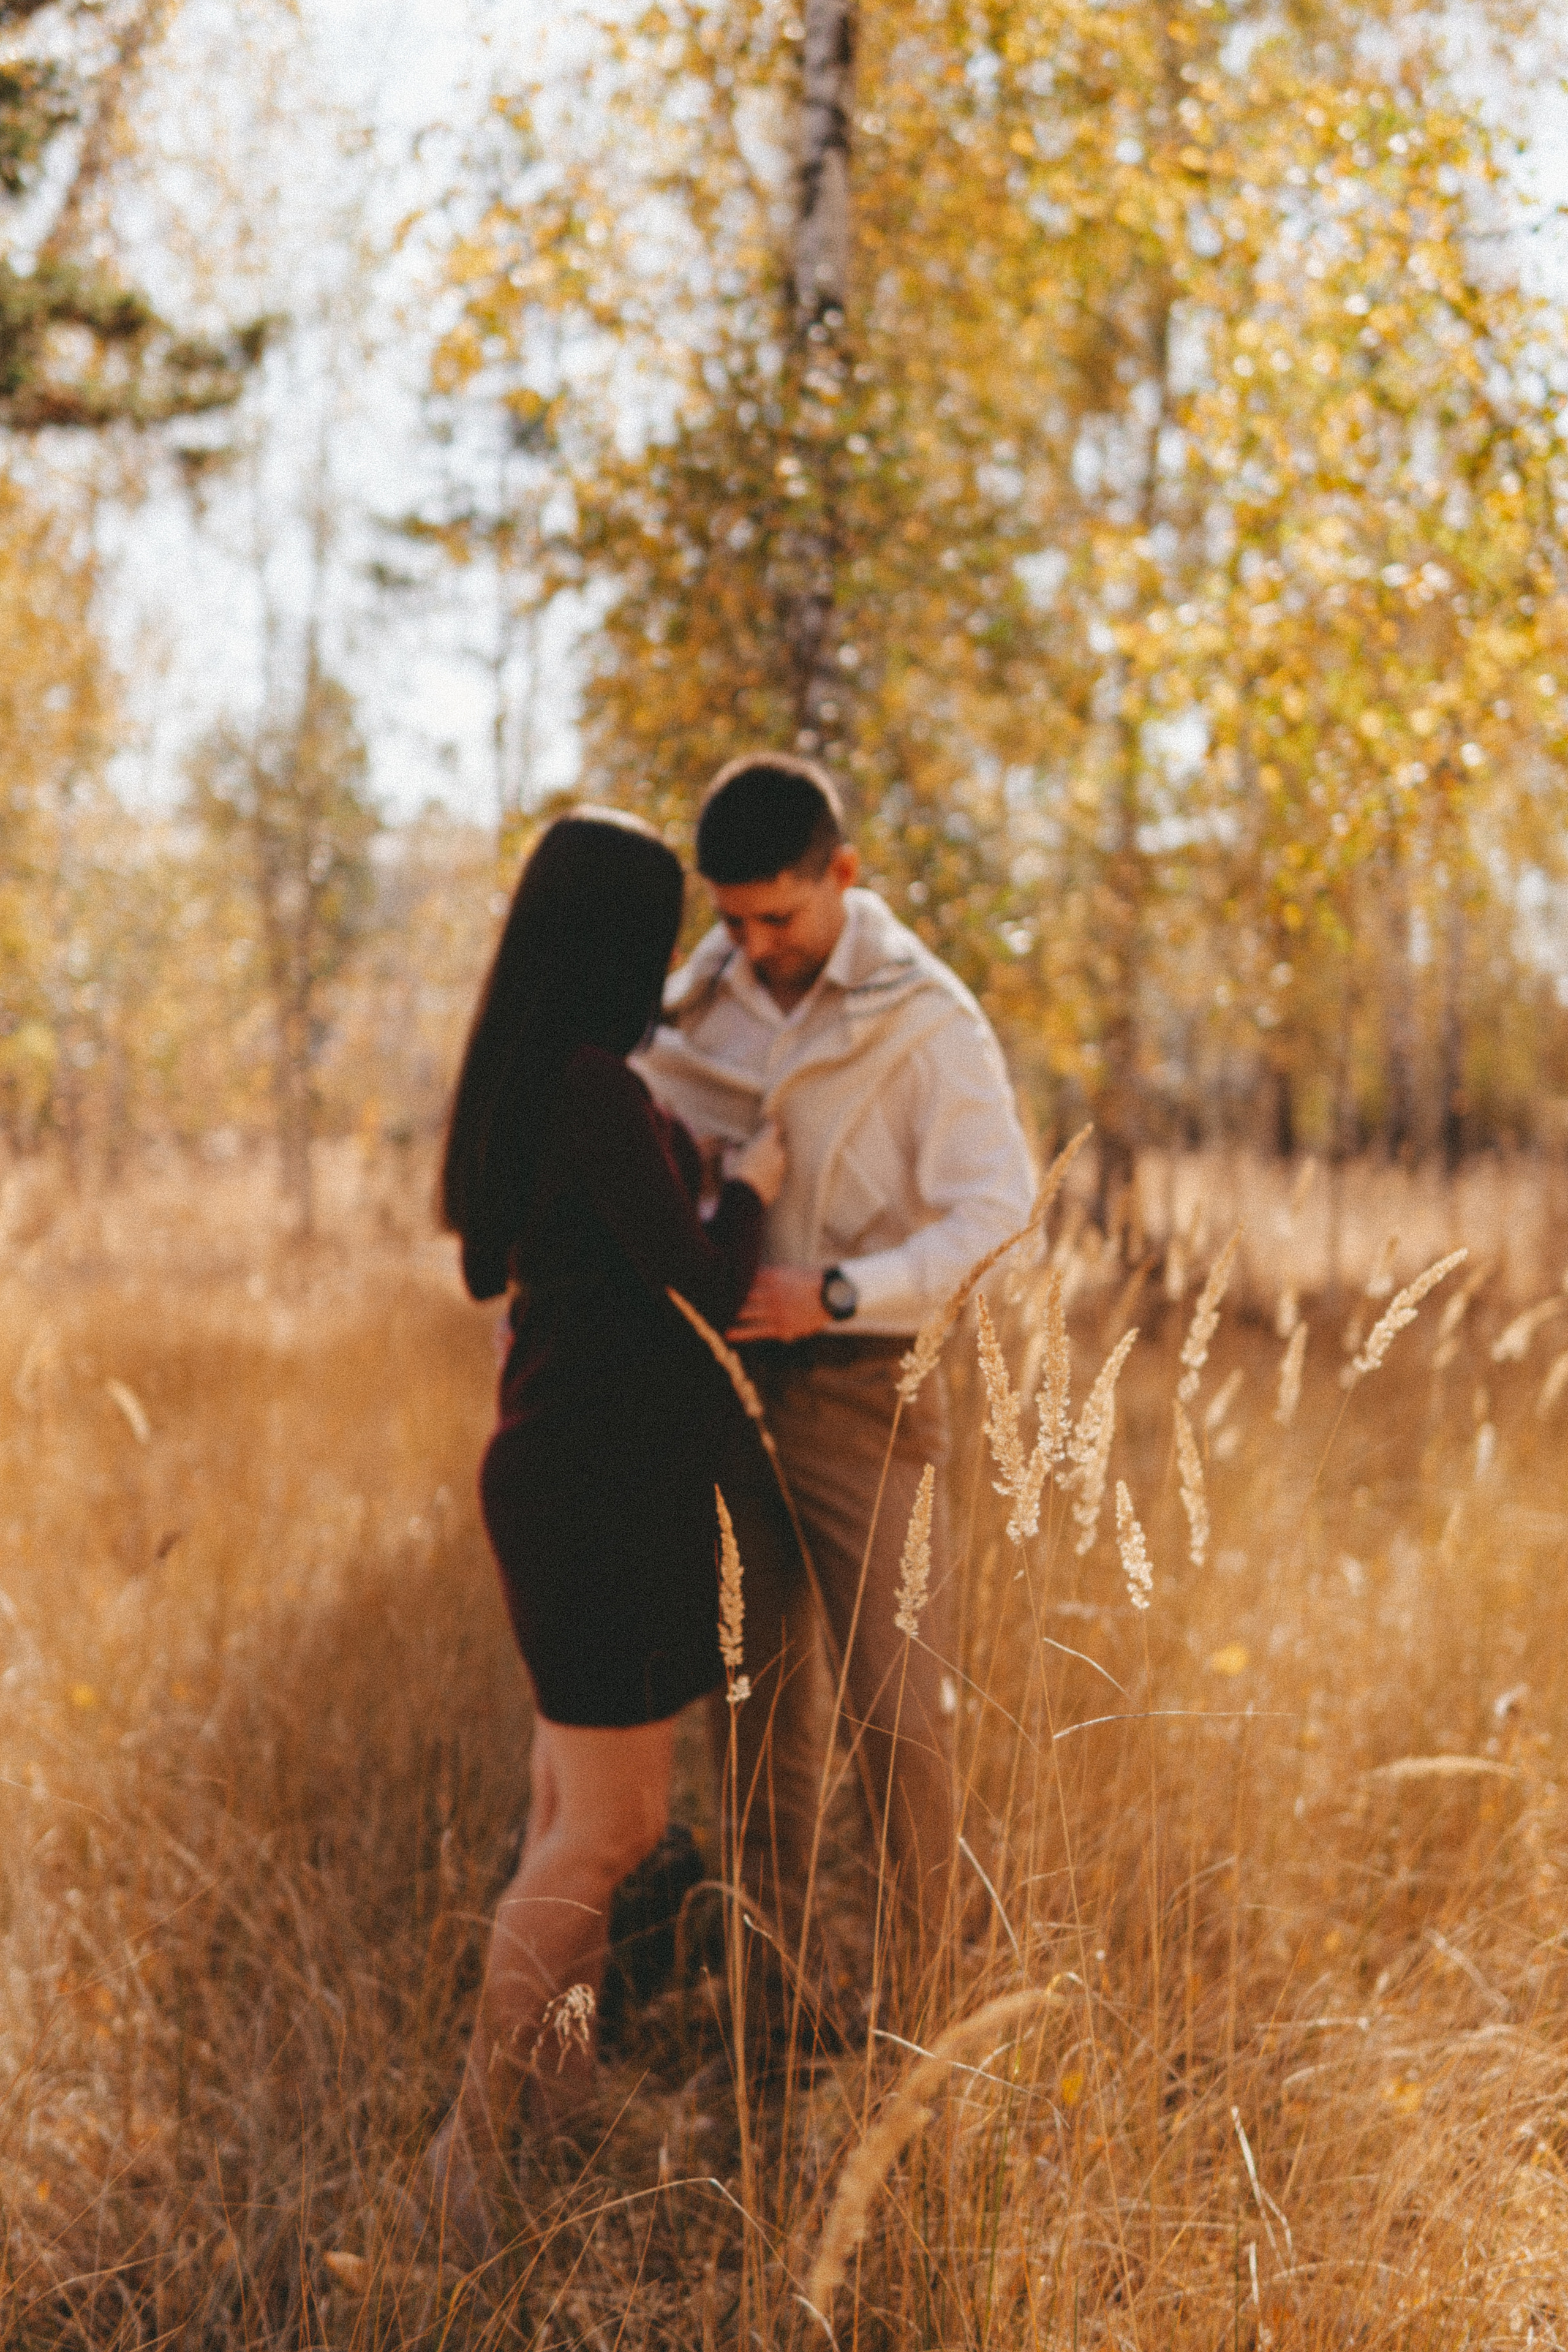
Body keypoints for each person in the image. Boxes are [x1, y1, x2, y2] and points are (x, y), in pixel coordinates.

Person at [634, 755, 1035, 2021]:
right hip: (729, 1387)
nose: (755, 946)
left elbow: (998, 1208)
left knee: (898, 1718)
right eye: (733, 918)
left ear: (843, 877)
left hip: (865, 1388)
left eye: (780, 919)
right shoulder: (702, 999)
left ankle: (928, 2021)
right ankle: (776, 2006)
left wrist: (842, 1294)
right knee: (755, 1714)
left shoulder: (929, 1018)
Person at [433, 808, 786, 2237]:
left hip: (560, 1475)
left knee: (568, 1814)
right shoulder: (594, 1086)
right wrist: (750, 1183)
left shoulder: (540, 1082)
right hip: (594, 1491)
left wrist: (679, 1162)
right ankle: (465, 2156)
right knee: (613, 1829)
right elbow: (701, 1284)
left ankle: (564, 2098)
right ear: (620, 945)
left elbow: (524, 1264)